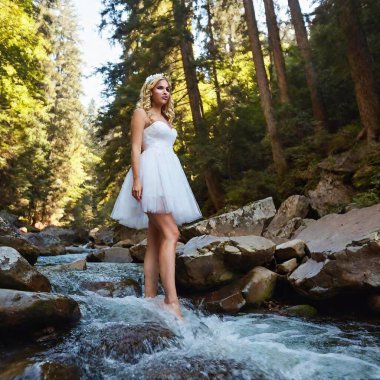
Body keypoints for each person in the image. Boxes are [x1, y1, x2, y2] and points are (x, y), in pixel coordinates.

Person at [110, 73, 203, 319]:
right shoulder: (142, 113)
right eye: (160, 88)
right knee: (172, 233)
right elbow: (135, 147)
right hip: (150, 175)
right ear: (150, 90)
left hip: (168, 177)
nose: (165, 91)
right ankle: (171, 300)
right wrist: (138, 179)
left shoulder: (165, 117)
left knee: (155, 239)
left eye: (168, 88)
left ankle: (149, 298)